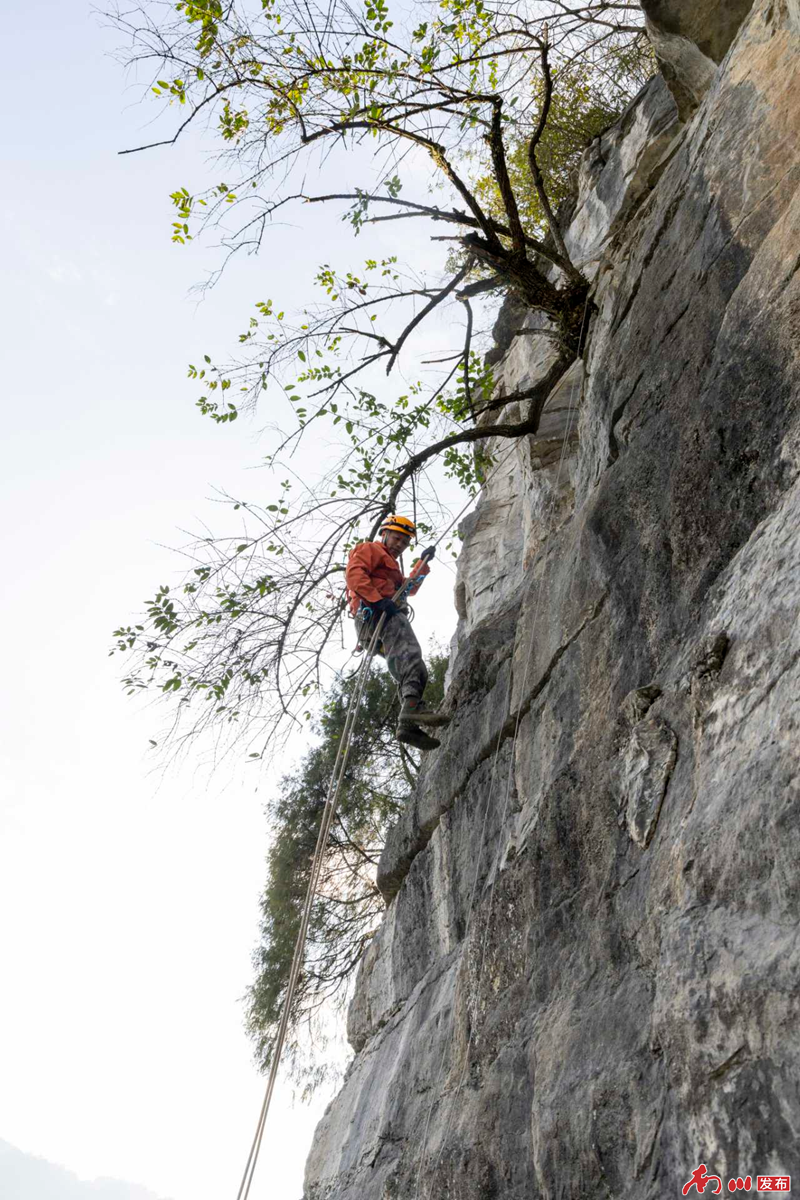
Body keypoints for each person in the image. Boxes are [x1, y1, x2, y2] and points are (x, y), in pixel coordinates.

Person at [346, 515, 451, 751]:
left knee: (412, 666)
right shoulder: (371, 549)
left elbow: (408, 589)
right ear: (385, 534)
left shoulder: (391, 567)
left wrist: (423, 564)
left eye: (404, 542)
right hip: (377, 615)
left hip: (377, 620)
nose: (400, 545)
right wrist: (377, 600)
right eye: (396, 538)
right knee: (411, 654)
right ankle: (411, 712)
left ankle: (408, 724)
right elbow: (354, 574)